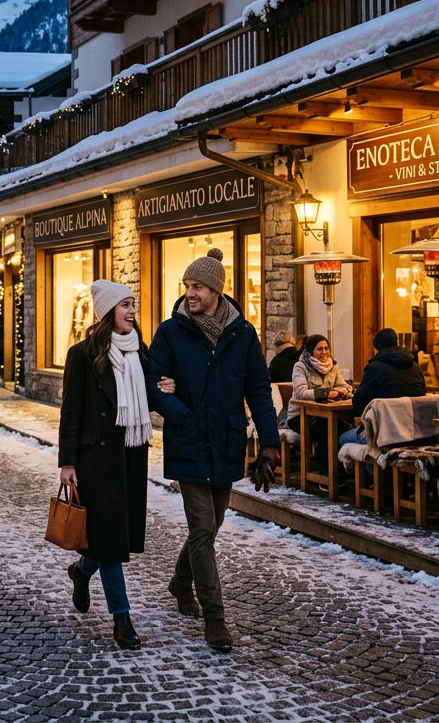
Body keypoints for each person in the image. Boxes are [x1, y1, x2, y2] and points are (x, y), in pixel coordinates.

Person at [148, 248, 280, 653]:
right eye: (187, 286)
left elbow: (258, 389)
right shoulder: (171, 332)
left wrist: (270, 445)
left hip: (225, 442)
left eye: (198, 287)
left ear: (216, 291)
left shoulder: (243, 334)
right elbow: (152, 382)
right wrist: (180, 414)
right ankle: (215, 618)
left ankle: (179, 581)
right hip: (188, 441)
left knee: (212, 524)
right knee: (203, 529)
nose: (190, 293)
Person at [59, 280, 163, 651]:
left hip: (131, 452)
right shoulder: (83, 354)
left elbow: (149, 392)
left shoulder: (140, 351)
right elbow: (71, 411)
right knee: (110, 537)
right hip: (96, 457)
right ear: (107, 312)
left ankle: (81, 570)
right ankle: (122, 617)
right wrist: (67, 462)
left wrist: (163, 388)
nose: (132, 311)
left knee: (112, 535)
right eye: (125, 305)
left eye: (134, 304)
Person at [282, 334, 351, 431]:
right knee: (327, 429)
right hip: (301, 415)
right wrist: (325, 393)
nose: (324, 352)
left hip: (325, 414)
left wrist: (344, 390)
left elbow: (343, 385)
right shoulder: (301, 366)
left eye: (326, 348)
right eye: (320, 349)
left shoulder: (333, 366)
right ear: (311, 352)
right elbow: (301, 392)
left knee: (343, 426)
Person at [351, 328, 425, 418]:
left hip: (384, 428)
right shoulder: (416, 367)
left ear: (376, 349)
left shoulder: (375, 368)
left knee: (345, 432)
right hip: (415, 427)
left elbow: (359, 400)